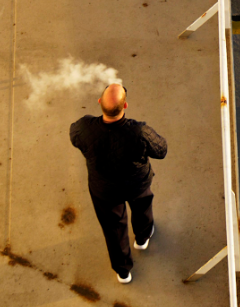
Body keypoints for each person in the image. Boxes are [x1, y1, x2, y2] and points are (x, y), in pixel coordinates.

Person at [69, 83, 167, 283]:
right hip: (136, 184)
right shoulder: (139, 131)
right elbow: (161, 150)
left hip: (104, 190)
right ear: (125, 106)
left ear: (99, 103)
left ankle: (123, 271)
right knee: (142, 208)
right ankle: (143, 237)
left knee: (113, 228)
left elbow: (75, 138)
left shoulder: (84, 127)